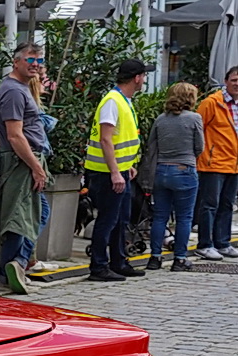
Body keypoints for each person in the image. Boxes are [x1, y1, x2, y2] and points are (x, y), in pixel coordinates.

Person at [0, 44, 51, 292]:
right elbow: (15, 135)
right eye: (30, 59)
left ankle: (16, 264)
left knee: (34, 213)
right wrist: (36, 167)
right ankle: (11, 267)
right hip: (21, 161)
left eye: (39, 60)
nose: (35, 64)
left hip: (22, 159)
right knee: (17, 218)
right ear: (16, 62)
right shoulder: (13, 91)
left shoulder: (15, 88)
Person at [84, 59, 147, 282]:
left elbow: (118, 139)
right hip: (105, 173)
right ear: (137, 78)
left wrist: (125, 166)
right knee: (108, 220)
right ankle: (99, 266)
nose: (144, 80)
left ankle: (118, 261)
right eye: (143, 76)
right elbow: (106, 139)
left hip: (118, 171)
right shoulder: (113, 101)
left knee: (120, 219)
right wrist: (114, 172)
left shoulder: (122, 100)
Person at [146, 82, 204, 272]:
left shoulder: (161, 119)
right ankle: (179, 259)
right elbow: (199, 147)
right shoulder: (195, 118)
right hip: (184, 169)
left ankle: (154, 258)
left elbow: (151, 145)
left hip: (162, 170)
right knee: (184, 217)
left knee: (160, 217)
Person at [195, 65, 238, 261]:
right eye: (234, 80)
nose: (237, 84)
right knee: (209, 204)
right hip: (213, 163)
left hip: (234, 163)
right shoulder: (211, 103)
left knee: (227, 204)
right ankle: (205, 244)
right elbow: (197, 130)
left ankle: (223, 242)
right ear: (226, 81)